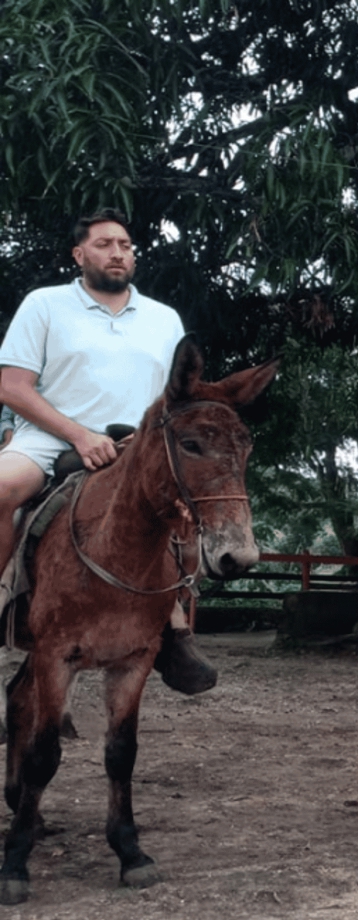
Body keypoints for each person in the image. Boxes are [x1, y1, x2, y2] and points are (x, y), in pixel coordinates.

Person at [0, 208, 216, 695]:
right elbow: (11, 387)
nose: (117, 253)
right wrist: (79, 435)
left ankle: (173, 628)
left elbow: (177, 398)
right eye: (104, 244)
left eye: (125, 245)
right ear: (79, 255)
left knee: (198, 510)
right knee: (2, 489)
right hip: (51, 438)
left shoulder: (164, 318)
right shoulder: (45, 304)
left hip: (137, 447)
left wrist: (153, 443)